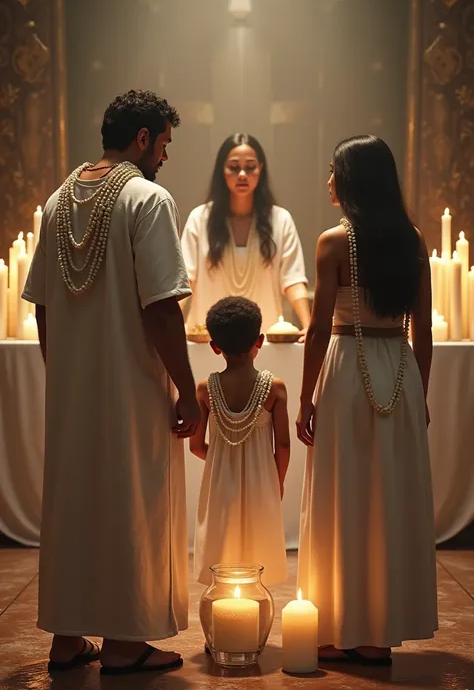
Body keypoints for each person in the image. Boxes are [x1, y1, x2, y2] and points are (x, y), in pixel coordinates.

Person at [22, 90, 200, 675]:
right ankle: (126, 645)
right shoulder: (147, 198)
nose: (166, 157)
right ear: (143, 138)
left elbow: (43, 306)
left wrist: (66, 372)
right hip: (131, 390)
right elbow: (162, 307)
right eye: (165, 144)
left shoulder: (56, 200)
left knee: (76, 504)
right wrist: (184, 385)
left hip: (74, 390)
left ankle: (67, 639)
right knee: (132, 503)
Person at [296, 136, 438, 665]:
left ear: (352, 180)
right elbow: (422, 333)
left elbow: (315, 330)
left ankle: (339, 626)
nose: (328, 180)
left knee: (343, 494)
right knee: (388, 499)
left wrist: (305, 398)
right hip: (397, 370)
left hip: (348, 368)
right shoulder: (413, 241)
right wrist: (418, 396)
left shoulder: (334, 243)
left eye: (334, 171)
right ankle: (378, 633)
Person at [190, 296, 289, 588]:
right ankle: (254, 607)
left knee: (222, 544)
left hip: (219, 485)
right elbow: (282, 445)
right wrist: (277, 480)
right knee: (258, 545)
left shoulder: (205, 389)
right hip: (262, 483)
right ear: (259, 340)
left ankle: (222, 609)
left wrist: (223, 462)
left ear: (214, 346)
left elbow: (196, 446)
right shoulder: (275, 388)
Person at [181, 133, 310, 335]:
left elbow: (293, 279)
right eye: (234, 167)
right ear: (222, 171)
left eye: (250, 167)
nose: (242, 174)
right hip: (206, 337)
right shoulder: (200, 219)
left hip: (263, 338)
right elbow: (185, 280)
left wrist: (308, 325)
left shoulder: (280, 219)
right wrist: (169, 326)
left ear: (261, 169)